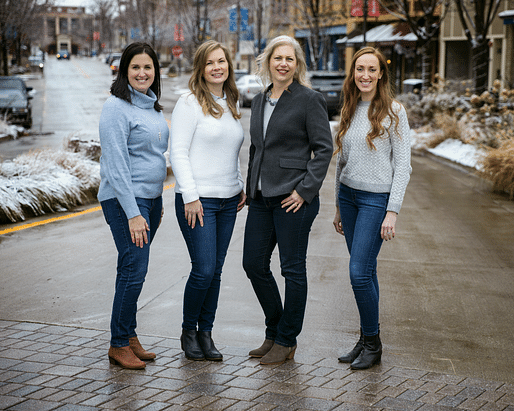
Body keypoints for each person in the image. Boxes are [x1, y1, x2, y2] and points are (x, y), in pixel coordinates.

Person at [242, 35, 333, 365]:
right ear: (267, 62)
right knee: (253, 264)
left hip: (294, 198)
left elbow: (324, 150)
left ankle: (287, 339)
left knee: (292, 270)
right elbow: (257, 149)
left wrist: (304, 190)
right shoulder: (258, 100)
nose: (283, 64)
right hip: (262, 198)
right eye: (277, 58)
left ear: (297, 65)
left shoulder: (309, 100)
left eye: (289, 59)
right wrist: (250, 187)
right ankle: (274, 330)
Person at [333, 47, 412, 370]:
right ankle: (366, 338)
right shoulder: (350, 108)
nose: (365, 75)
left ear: (381, 74)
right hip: (350, 199)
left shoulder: (394, 111)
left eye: (371, 69)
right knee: (366, 271)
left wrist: (392, 211)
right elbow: (342, 161)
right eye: (359, 69)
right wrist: (338, 206)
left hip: (375, 201)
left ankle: (374, 343)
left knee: (357, 273)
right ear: (354, 74)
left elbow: (403, 165)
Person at [170, 40, 246, 362]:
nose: (217, 67)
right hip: (198, 201)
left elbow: (232, 149)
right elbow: (178, 152)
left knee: (215, 271)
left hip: (229, 200)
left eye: (222, 61)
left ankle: (206, 333)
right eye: (210, 63)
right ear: (200, 69)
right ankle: (189, 331)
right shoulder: (189, 103)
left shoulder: (230, 101)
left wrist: (239, 183)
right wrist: (190, 196)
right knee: (202, 269)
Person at [98, 42, 169, 370]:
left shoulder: (152, 106)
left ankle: (128, 335)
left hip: (150, 201)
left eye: (148, 68)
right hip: (126, 201)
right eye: (136, 67)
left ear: (155, 72)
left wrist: (158, 200)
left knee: (131, 269)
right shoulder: (115, 107)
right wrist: (134, 212)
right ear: (125, 70)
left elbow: (155, 158)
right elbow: (116, 165)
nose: (143, 73)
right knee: (134, 270)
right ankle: (117, 344)